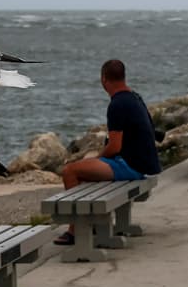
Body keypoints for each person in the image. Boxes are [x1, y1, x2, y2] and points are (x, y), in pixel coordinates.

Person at [54, 59, 162, 245]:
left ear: (104, 79)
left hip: (131, 166)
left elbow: (115, 147)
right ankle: (92, 222)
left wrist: (98, 158)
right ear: (123, 77)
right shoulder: (135, 97)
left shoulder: (117, 105)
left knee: (70, 171)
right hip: (145, 163)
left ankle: (75, 230)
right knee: (86, 169)